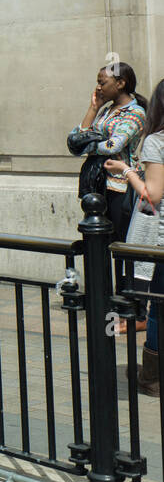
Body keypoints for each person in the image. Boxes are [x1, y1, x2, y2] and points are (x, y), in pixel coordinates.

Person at [109, 78, 164, 393]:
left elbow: (153, 194)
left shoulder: (157, 141)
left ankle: (152, 378)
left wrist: (126, 171)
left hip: (161, 244)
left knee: (158, 306)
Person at [70, 62, 146, 243]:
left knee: (120, 241)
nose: (98, 87)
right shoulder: (106, 110)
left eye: (102, 82)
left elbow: (113, 146)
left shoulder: (135, 112)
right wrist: (93, 108)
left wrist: (86, 146)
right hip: (97, 182)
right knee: (98, 241)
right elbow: (77, 138)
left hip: (120, 185)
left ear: (120, 83)